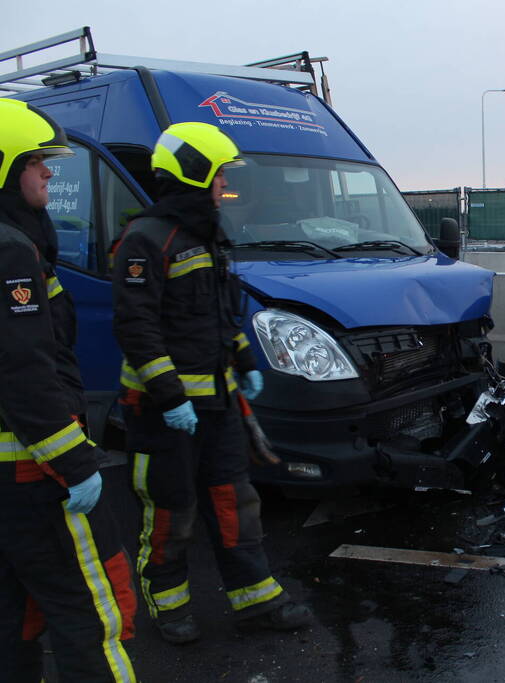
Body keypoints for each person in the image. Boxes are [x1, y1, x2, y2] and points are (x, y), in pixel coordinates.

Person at [111, 121, 311, 644]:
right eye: (220, 175)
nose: (225, 186)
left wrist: (244, 361)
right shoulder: (145, 238)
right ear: (195, 172)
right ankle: (169, 605)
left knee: (234, 500)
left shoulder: (206, 237)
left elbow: (220, 317)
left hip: (218, 407)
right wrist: (170, 396)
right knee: (170, 509)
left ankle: (257, 601)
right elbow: (137, 327)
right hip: (162, 414)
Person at [0, 98, 137, 682]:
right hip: (33, 473)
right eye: (36, 162)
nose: (49, 174)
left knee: (11, 621)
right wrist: (75, 463)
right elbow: (24, 369)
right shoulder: (10, 249)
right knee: (93, 615)